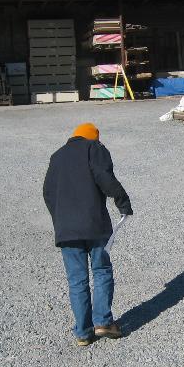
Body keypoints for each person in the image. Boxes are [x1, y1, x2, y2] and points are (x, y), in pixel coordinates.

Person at [43, 123, 133, 345]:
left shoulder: (57, 156)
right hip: (95, 225)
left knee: (77, 280)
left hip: (66, 230)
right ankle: (103, 322)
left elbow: (47, 192)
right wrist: (123, 202)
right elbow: (104, 177)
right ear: (94, 138)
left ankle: (83, 333)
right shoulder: (94, 148)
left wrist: (60, 220)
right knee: (101, 270)